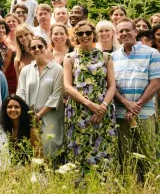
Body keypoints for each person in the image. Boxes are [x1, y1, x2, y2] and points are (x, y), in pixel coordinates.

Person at [64, 21, 118, 175]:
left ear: (93, 34)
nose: (85, 36)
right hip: (79, 110)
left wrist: (103, 107)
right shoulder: (70, 58)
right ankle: (79, 186)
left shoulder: (106, 57)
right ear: (76, 36)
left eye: (88, 32)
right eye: (80, 33)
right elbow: (67, 86)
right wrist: (90, 105)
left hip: (103, 111)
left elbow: (112, 86)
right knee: (79, 149)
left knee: (103, 150)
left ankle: (104, 184)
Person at [112, 19, 160, 182]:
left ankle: (152, 190)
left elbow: (155, 83)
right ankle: (130, 190)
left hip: (144, 113)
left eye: (127, 30)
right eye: (121, 31)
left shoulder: (152, 54)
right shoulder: (112, 57)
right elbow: (111, 86)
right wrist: (126, 104)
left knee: (148, 154)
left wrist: (136, 106)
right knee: (126, 156)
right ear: (117, 35)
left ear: (135, 32)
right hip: (120, 114)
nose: (124, 33)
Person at [16, 36, 64, 159]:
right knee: (31, 150)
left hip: (50, 116)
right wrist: (28, 113)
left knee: (50, 146)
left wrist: (39, 114)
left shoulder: (58, 70)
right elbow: (20, 92)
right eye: (33, 47)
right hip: (29, 116)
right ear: (30, 50)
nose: (37, 49)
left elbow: (56, 95)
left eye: (40, 46)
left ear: (46, 47)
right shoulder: (25, 70)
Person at [0, 94, 42, 165]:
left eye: (16, 107)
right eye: (10, 107)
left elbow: (38, 156)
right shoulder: (6, 128)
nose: (13, 110)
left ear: (22, 109)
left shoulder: (31, 129)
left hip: (29, 168)